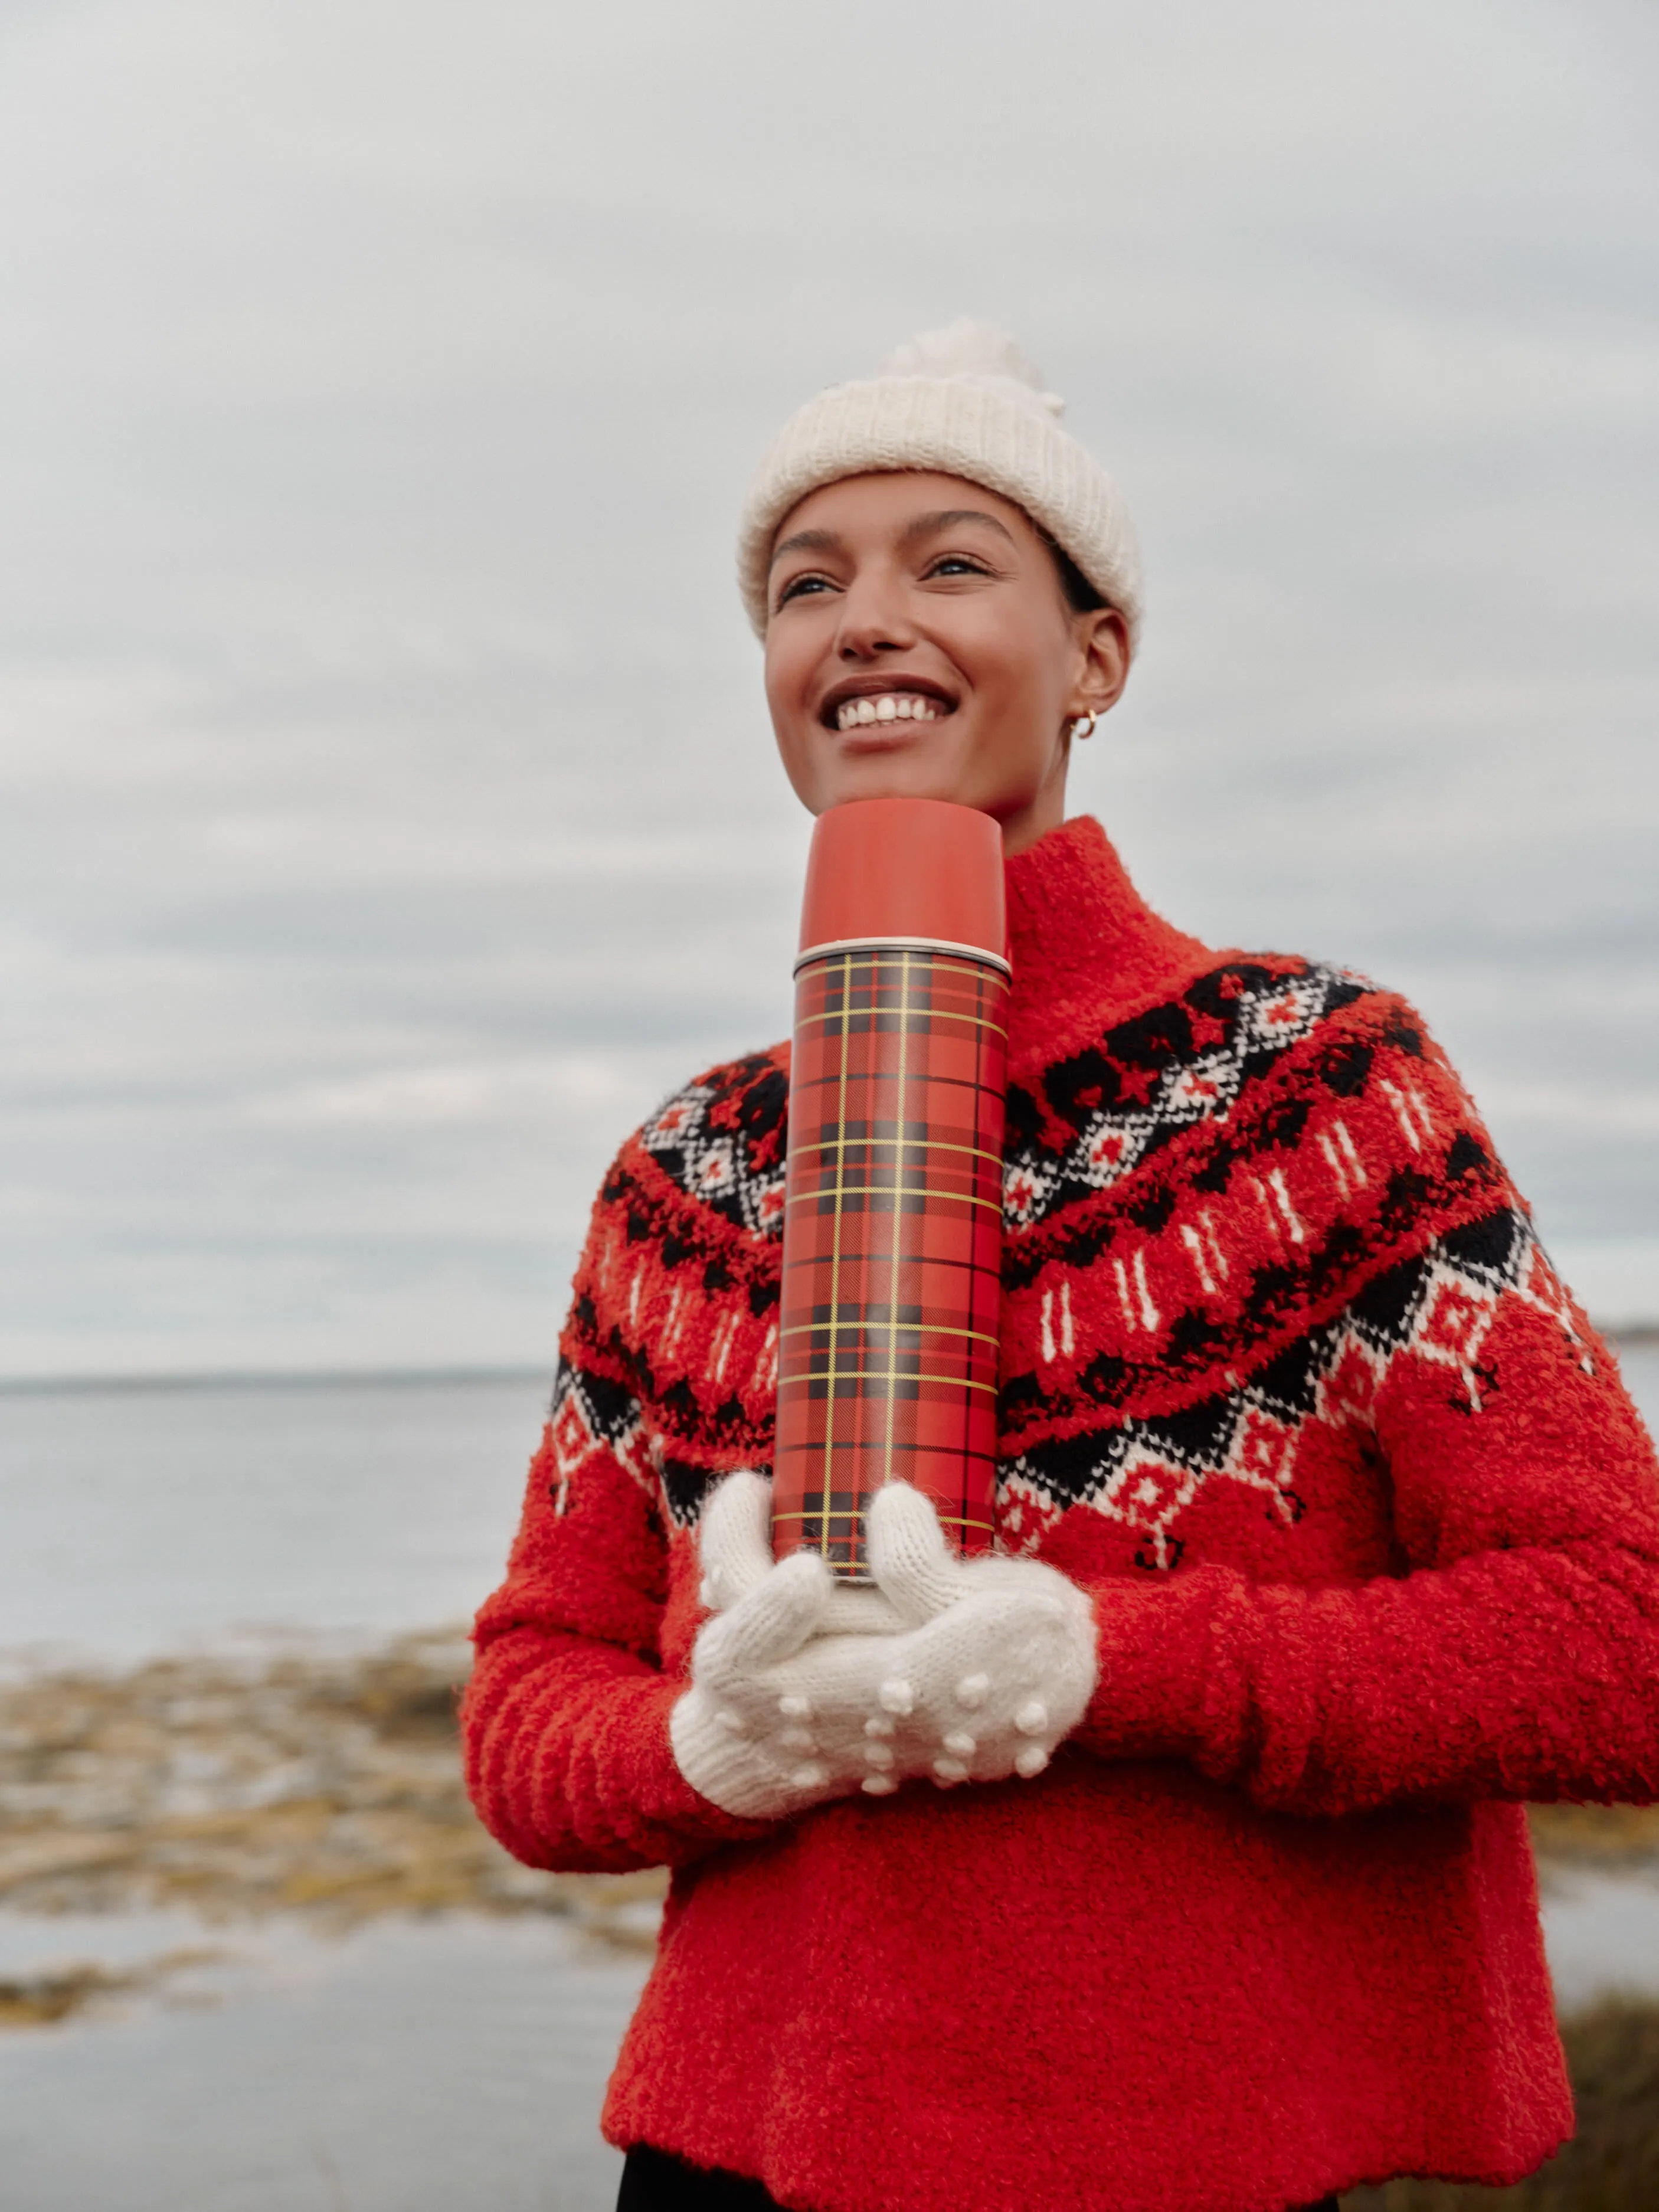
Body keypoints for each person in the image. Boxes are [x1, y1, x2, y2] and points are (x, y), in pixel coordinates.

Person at [462, 323, 1659, 2212]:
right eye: (804, 584)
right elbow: (530, 1699)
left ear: (1099, 654)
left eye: (951, 562)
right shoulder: (686, 1175)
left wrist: (1118, 1656)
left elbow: (1622, 1639)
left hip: (1194, 2162)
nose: (863, 620)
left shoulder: (1319, 1087)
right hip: (738, 2160)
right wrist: (708, 1742)